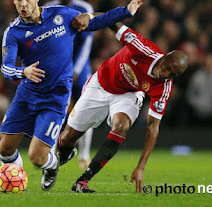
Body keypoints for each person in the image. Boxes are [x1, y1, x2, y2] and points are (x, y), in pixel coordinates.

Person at [0, 0, 147, 191]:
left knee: (37, 158)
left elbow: (95, 21)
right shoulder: (13, 33)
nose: (23, 4)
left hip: (55, 97)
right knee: (4, 148)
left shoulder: (61, 15)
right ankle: (14, 181)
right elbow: (6, 67)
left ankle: (53, 164)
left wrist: (126, 11)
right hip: (27, 94)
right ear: (13, 0)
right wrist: (23, 71)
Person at [55, 22, 188, 193]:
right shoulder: (142, 48)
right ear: (164, 57)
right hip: (102, 83)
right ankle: (65, 154)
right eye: (167, 68)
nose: (166, 74)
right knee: (67, 138)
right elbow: (112, 23)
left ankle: (83, 181)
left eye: (172, 75)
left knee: (122, 125)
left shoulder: (164, 87)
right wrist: (89, 17)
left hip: (129, 93)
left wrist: (141, 167)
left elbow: (153, 127)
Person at [44, 0, 94, 169]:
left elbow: (87, 41)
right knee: (55, 107)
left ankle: (84, 154)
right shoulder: (49, 7)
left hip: (79, 67)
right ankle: (50, 151)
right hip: (58, 65)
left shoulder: (85, 8)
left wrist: (78, 68)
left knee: (85, 108)